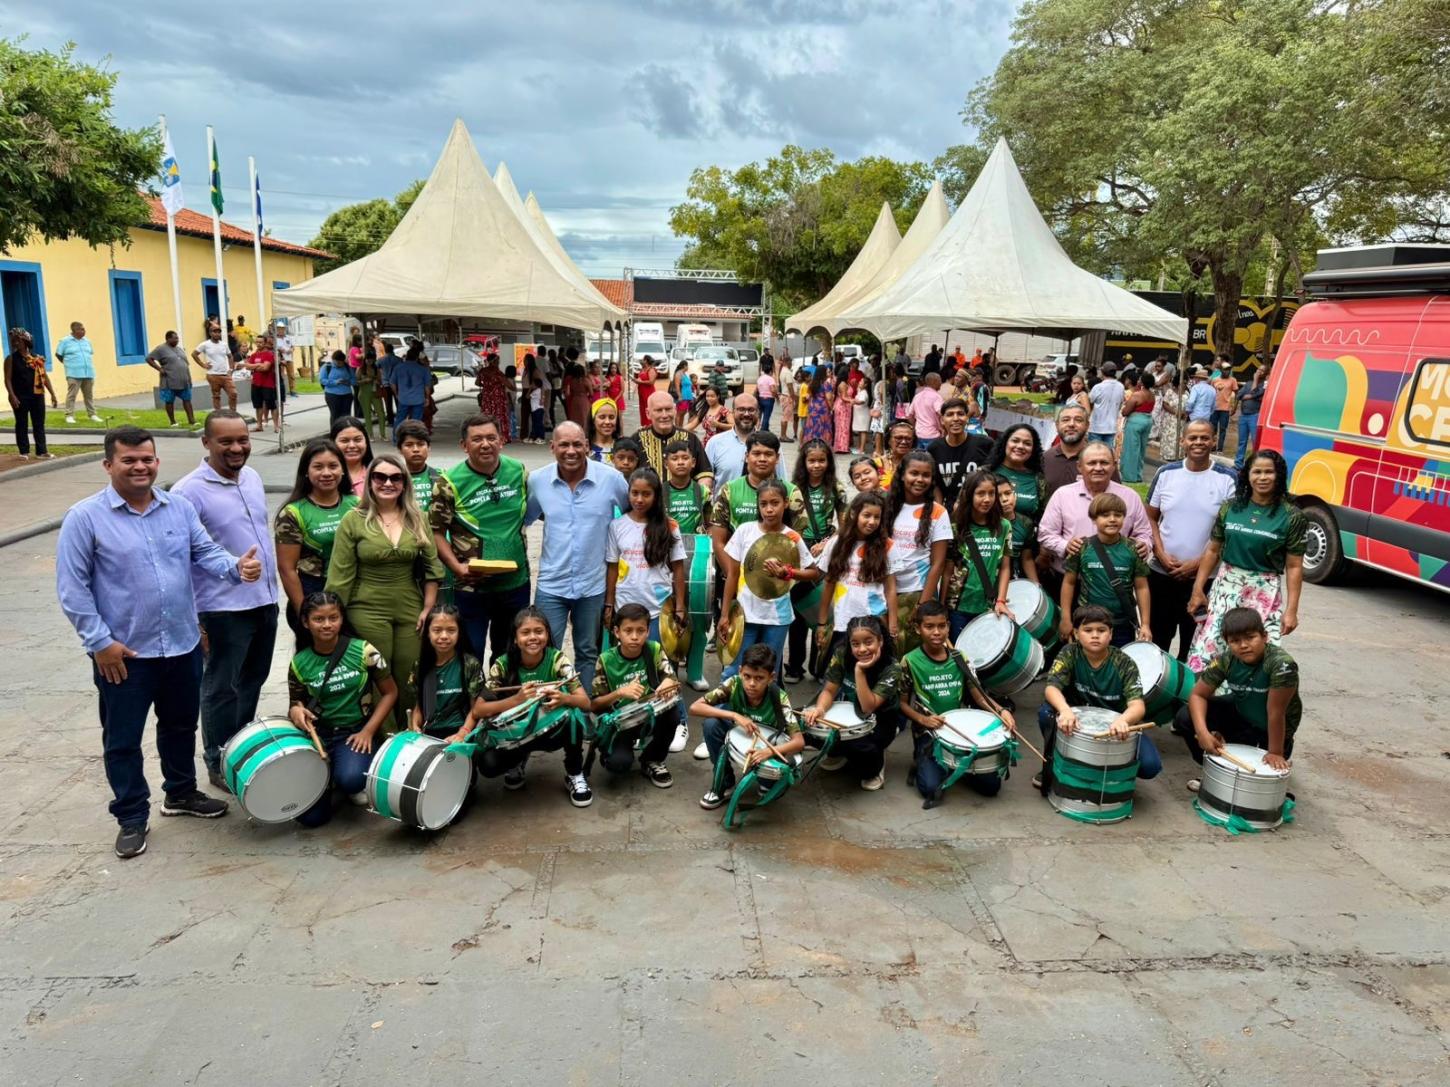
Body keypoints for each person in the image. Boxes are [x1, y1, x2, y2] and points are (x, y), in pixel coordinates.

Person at [56, 426, 262, 858]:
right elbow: (72, 589)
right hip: (125, 655)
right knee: (123, 739)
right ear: (108, 464)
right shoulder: (84, 518)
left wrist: (233, 567)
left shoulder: (178, 508)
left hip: (182, 646)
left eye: (147, 459)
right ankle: (131, 816)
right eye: (129, 460)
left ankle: (181, 793)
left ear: (157, 462)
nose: (140, 467)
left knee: (179, 725)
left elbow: (204, 553)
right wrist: (99, 643)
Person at [170, 410, 280, 789]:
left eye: (243, 440)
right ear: (206, 443)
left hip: (263, 600)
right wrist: (193, 619)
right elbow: (179, 559)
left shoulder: (251, 477)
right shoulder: (187, 492)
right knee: (221, 687)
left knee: (253, 679)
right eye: (226, 442)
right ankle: (218, 760)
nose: (237, 448)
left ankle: (241, 751)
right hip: (221, 609)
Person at [326, 451, 444, 724]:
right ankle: (383, 741)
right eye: (380, 477)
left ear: (405, 483)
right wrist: (335, 619)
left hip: (410, 607)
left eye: (395, 478)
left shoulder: (417, 517)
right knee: (378, 675)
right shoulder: (353, 520)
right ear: (369, 482)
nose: (387, 483)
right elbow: (340, 575)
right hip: (366, 608)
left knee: (409, 673)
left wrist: (429, 608)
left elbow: (432, 568)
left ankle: (409, 736)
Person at [526, 422, 631, 691]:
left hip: (593, 586)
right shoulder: (538, 480)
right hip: (552, 585)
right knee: (546, 652)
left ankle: (583, 712)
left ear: (587, 445)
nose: (571, 451)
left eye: (577, 444)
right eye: (564, 445)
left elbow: (634, 516)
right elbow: (525, 518)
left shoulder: (612, 480)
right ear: (552, 448)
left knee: (587, 652)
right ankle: (550, 713)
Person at [1186, 450, 1306, 672]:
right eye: (1257, 472)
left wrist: (1292, 610)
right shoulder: (1230, 508)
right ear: (1247, 476)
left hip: (1263, 590)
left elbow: (1294, 566)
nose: (1262, 477)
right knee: (1211, 646)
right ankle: (1203, 701)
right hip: (1225, 585)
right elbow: (1213, 551)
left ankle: (1245, 702)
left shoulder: (1292, 516)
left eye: (1269, 472)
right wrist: (1198, 588)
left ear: (1278, 475)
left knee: (1252, 652)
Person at [287, 591, 398, 827]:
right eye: (318, 619)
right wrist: (296, 712)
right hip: (319, 735)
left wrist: (368, 731)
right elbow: (295, 703)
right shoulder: (299, 662)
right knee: (311, 819)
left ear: (342, 619)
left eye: (333, 618)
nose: (327, 625)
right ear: (306, 623)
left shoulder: (365, 651)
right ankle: (329, 777)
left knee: (350, 779)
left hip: (354, 733)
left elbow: (391, 693)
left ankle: (346, 773)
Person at [431, 413, 530, 665]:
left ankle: (502, 701)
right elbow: (435, 531)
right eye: (476, 439)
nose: (485, 444)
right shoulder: (448, 482)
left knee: (508, 653)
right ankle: (472, 703)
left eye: (491, 438)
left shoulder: (518, 472)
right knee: (470, 652)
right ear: (464, 445)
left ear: (501, 441)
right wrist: (457, 568)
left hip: (515, 583)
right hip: (471, 586)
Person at [470, 606, 594, 805]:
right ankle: (517, 760)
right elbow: (478, 709)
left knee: (574, 720)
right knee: (488, 765)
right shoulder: (503, 664)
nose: (533, 637)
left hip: (549, 731)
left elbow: (586, 703)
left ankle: (575, 773)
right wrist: (516, 700)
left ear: (547, 634)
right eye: (525, 632)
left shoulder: (557, 659)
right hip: (517, 733)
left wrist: (564, 698)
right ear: (516, 638)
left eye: (539, 631)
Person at [901, 600, 1016, 808]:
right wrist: (923, 719)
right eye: (929, 627)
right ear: (918, 629)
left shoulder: (960, 658)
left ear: (948, 626)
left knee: (991, 788)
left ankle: (957, 765)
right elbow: (902, 704)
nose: (937, 632)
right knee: (930, 789)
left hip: (961, 731)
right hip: (929, 734)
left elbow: (979, 697)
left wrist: (1001, 711)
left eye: (942, 626)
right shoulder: (909, 661)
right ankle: (923, 761)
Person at [1035, 604, 1162, 790]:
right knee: (1047, 713)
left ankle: (1109, 771)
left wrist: (1123, 721)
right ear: (1077, 634)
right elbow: (1051, 688)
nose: (1095, 635)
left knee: (1150, 766)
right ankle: (1055, 762)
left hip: (1115, 725)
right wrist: (1065, 711)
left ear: (1110, 634)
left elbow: (1137, 705)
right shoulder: (1069, 652)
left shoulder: (1125, 663)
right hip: (1076, 719)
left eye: (1101, 630)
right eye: (1088, 630)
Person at [1173, 607, 1300, 789]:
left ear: (1264, 636)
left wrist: (1275, 752)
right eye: (1235, 641)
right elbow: (1198, 695)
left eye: (1250, 637)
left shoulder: (1281, 665)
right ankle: (1212, 771)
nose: (1243, 645)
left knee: (1255, 783)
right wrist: (1203, 733)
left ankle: (1272, 753)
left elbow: (1276, 713)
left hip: (1273, 729)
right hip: (1243, 714)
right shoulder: (1226, 660)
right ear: (1227, 642)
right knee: (1184, 717)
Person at [1145, 421, 1237, 660]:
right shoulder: (1166, 474)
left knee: (1195, 642)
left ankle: (1187, 694)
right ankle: (1161, 692)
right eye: (1193, 437)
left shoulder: (1227, 478)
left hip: (1205, 579)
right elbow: (1150, 518)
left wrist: (1197, 564)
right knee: (1158, 640)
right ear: (1182, 441)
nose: (1198, 442)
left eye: (1204, 437)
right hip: (1162, 574)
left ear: (1214, 440)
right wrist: (1161, 554)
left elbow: (1230, 531)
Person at [719, 477, 816, 681]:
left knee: (769, 672)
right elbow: (733, 574)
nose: (769, 509)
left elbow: (813, 572)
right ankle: (727, 710)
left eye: (775, 503)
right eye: (764, 504)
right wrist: (725, 614)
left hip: (777, 617)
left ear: (786, 504)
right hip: (744, 615)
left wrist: (788, 573)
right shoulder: (745, 531)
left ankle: (768, 709)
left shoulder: (792, 537)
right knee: (738, 668)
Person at [1037, 442, 1150, 609]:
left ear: (1113, 466)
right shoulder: (1063, 495)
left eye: (1104, 463)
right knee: (1068, 632)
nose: (1098, 468)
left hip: (1114, 585)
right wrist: (1066, 545)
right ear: (1080, 466)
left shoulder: (1130, 497)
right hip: (1070, 582)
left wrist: (1144, 545)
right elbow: (1045, 534)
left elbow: (1144, 533)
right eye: (1091, 463)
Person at [691, 643, 803, 810]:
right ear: (740, 671)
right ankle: (724, 783)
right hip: (744, 736)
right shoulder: (734, 684)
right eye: (747, 676)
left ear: (771, 677)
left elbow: (799, 742)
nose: (751, 683)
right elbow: (695, 707)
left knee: (769, 788)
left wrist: (768, 752)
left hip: (768, 748)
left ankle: (767, 782)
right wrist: (734, 715)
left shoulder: (779, 697)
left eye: (759, 678)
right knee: (711, 724)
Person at [801, 615, 903, 791]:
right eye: (855, 644)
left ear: (880, 641)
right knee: (805, 724)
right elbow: (829, 690)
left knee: (863, 755)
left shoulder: (892, 668)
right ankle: (839, 751)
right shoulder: (842, 653)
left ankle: (876, 761)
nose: (862, 649)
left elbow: (868, 707)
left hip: (880, 719)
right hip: (849, 712)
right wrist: (819, 709)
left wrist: (859, 671)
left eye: (868, 642)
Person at [590, 603, 681, 786]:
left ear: (648, 632)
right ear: (617, 632)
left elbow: (672, 678)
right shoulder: (605, 660)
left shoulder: (654, 649)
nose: (634, 637)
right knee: (618, 765)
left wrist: (668, 683)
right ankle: (612, 753)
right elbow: (595, 705)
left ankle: (652, 760)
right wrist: (619, 692)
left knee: (673, 715)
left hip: (649, 715)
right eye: (628, 630)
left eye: (640, 631)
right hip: (620, 723)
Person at [274, 438, 359, 635]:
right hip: (313, 591)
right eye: (318, 467)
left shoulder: (357, 504)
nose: (327, 473)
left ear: (343, 470)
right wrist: (305, 612)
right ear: (306, 471)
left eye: (333, 466)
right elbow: (287, 570)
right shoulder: (292, 513)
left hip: (353, 593)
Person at [784, 438, 847, 683]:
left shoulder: (837, 488)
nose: (817, 465)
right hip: (799, 552)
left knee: (824, 610)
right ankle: (794, 666)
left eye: (822, 460)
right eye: (812, 460)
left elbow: (845, 524)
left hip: (826, 552)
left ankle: (820, 667)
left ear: (829, 462)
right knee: (799, 612)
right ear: (804, 462)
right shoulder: (793, 488)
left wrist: (828, 543)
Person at [1059, 492, 1152, 647]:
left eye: (1118, 515)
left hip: (1122, 623)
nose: (1112, 519)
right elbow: (1069, 583)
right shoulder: (1081, 548)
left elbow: (1142, 587)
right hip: (1088, 624)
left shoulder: (1133, 549)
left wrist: (1145, 624)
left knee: (1119, 667)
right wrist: (1066, 618)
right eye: (1105, 515)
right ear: (1094, 519)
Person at [604, 468, 687, 642]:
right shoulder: (617, 526)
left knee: (658, 660)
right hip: (625, 604)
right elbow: (612, 567)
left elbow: (678, 568)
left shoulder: (669, 526)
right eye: (635, 493)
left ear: (656, 496)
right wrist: (609, 604)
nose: (639, 499)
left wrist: (679, 606)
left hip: (658, 607)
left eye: (646, 494)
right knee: (628, 659)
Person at [815, 491, 900, 657]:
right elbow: (829, 584)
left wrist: (893, 624)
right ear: (854, 513)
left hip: (875, 621)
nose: (872, 522)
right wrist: (822, 623)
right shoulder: (836, 543)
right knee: (841, 672)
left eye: (877, 517)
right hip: (843, 621)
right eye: (867, 515)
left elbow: (890, 588)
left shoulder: (887, 546)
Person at [885, 450, 953, 652]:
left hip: (917, 592)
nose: (919, 479)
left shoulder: (938, 512)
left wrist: (922, 605)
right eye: (914, 473)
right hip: (884, 591)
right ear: (902, 474)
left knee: (912, 652)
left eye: (926, 475)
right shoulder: (886, 504)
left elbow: (938, 563)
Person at [946, 470, 1013, 641]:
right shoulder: (956, 528)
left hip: (989, 606)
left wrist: (1001, 601)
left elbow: (1005, 567)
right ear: (969, 495)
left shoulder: (1003, 526)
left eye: (991, 493)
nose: (987, 499)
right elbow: (946, 571)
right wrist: (941, 608)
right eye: (980, 493)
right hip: (958, 607)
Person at [408, 604, 483, 745]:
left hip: (460, 730)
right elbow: (419, 706)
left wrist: (462, 734)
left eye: (451, 630)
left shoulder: (470, 664)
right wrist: (415, 726)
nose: (444, 636)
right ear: (428, 633)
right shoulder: (420, 666)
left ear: (459, 633)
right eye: (437, 630)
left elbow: (475, 709)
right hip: (429, 732)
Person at [637, 390, 712, 486]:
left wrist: (700, 493)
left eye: (668, 409)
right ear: (648, 413)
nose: (664, 415)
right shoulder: (636, 440)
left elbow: (704, 474)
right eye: (659, 410)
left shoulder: (691, 439)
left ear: (675, 410)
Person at [6, 327, 58, 458]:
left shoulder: (37, 358)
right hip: (20, 396)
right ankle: (24, 451)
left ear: (26, 341)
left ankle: (41, 451)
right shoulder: (11, 359)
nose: (15, 343)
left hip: (37, 395)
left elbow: (44, 377)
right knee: (21, 423)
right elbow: (7, 379)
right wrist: (12, 395)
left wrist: (52, 394)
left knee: (39, 423)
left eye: (18, 340)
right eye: (13, 340)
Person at [705, 394, 772, 491]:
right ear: (732, 412)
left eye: (751, 410)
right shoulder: (715, 443)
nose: (746, 414)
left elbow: (782, 482)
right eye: (741, 409)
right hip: (723, 505)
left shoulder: (770, 443)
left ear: (758, 413)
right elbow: (705, 482)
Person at [984, 423, 1045, 527]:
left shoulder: (1039, 479)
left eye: (1027, 443)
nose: (1020, 446)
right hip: (985, 540)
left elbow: (1044, 519)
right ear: (1005, 443)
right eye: (1015, 441)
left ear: (1033, 449)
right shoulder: (985, 472)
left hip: (1025, 541)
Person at [55, 320, 102, 423]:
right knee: (72, 395)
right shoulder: (65, 341)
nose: (84, 331)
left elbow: (90, 354)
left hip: (88, 372)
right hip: (73, 373)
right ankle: (69, 415)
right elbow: (58, 354)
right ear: (75, 330)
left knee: (89, 395)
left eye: (83, 329)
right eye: (81, 329)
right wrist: (68, 363)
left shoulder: (87, 341)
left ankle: (92, 414)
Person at [145, 331, 195, 427]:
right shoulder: (160, 349)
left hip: (184, 381)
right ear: (168, 339)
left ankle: (192, 420)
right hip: (169, 381)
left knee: (187, 400)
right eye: (175, 338)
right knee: (169, 401)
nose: (177, 340)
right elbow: (148, 358)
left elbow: (185, 364)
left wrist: (189, 379)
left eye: (177, 338)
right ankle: (173, 422)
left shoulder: (179, 349)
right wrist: (159, 369)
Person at [996, 477, 1040, 582]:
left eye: (1008, 493)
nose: (1005, 499)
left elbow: (1027, 558)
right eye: (998, 496)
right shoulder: (986, 524)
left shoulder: (1026, 524)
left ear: (1014, 496)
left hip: (1016, 581)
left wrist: (1037, 585)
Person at [396, 420, 440, 519]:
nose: (415, 449)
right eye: (409, 445)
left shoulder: (442, 477)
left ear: (429, 447)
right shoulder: (392, 479)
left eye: (421, 444)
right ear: (399, 449)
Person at [1118, 370, 1155, 482]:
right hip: (1147, 420)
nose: (1138, 381)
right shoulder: (1152, 395)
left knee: (1131, 449)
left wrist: (1124, 408)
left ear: (1142, 382)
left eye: (1140, 379)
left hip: (1136, 421)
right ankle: (1138, 475)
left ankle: (1129, 476)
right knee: (1141, 449)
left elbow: (1125, 412)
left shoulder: (1137, 394)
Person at [192, 323, 237, 413]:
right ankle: (218, 413)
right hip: (213, 374)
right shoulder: (205, 344)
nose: (217, 334)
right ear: (210, 333)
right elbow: (194, 354)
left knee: (233, 393)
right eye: (214, 332)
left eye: (219, 332)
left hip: (225, 374)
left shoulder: (224, 344)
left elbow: (230, 356)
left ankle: (233, 413)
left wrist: (231, 369)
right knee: (216, 395)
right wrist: (203, 365)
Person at [391, 343, 431, 437]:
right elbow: (427, 386)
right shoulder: (423, 369)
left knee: (400, 420)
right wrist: (427, 397)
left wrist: (397, 394)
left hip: (403, 398)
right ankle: (413, 438)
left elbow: (392, 383)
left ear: (407, 356)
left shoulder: (398, 368)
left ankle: (396, 438)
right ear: (417, 358)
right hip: (418, 399)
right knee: (416, 422)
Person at [474, 352, 513, 442]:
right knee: (499, 416)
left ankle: (486, 436)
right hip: (498, 398)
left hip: (486, 397)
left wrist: (486, 386)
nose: (498, 362)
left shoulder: (483, 371)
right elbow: (509, 385)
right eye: (497, 361)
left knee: (486, 416)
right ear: (494, 361)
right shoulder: (498, 373)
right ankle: (501, 437)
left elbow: (477, 383)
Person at [245, 335, 280, 434]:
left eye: (260, 342)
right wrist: (259, 365)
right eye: (257, 342)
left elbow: (266, 368)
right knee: (258, 405)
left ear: (264, 343)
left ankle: (276, 426)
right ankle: (259, 425)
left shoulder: (269, 354)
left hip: (268, 384)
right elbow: (247, 367)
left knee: (272, 405)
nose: (258, 344)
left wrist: (254, 367)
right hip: (256, 383)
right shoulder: (253, 355)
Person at [329, 416, 372, 497]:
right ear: (332, 443)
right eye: (344, 441)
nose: (352, 445)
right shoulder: (326, 477)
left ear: (366, 442)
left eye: (357, 440)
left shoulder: (378, 474)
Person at [1234, 365, 1267, 468]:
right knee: (1242, 441)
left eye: (1262, 370)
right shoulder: (1248, 383)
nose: (1259, 372)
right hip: (1243, 416)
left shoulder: (1263, 385)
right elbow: (1239, 395)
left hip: (1255, 416)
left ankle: (1255, 464)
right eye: (1258, 369)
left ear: (1265, 374)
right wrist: (1252, 397)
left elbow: (1255, 392)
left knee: (1255, 441)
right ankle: (1238, 464)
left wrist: (1255, 380)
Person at [353, 347, 386, 441]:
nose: (369, 361)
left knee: (381, 413)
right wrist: (365, 380)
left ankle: (382, 434)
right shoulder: (360, 369)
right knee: (367, 415)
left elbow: (381, 381)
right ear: (365, 359)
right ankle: (370, 435)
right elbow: (356, 382)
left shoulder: (376, 369)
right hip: (363, 393)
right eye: (368, 359)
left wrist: (377, 381)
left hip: (375, 392)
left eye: (371, 360)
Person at [907, 373, 945, 448]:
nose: (941, 383)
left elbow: (909, 415)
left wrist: (915, 427)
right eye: (940, 381)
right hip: (933, 434)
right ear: (935, 381)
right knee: (932, 458)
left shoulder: (917, 396)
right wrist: (943, 428)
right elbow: (941, 413)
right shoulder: (936, 397)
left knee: (920, 458)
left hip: (919, 434)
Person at [1210, 360, 1240, 452]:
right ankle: (1213, 446)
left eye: (1229, 370)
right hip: (1215, 408)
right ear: (1221, 370)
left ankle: (1220, 448)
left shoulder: (1233, 380)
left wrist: (1234, 407)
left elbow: (1237, 394)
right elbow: (1211, 392)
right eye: (1225, 370)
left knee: (1223, 429)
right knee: (1213, 428)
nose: (1227, 371)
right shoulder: (1215, 380)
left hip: (1225, 409)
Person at [801, 364, 834, 445]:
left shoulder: (812, 383)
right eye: (826, 371)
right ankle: (823, 444)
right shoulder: (826, 384)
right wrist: (831, 408)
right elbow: (829, 398)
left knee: (811, 426)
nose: (828, 373)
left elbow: (809, 397)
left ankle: (809, 443)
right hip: (822, 408)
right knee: (823, 426)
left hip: (813, 407)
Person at [320, 350, 356, 423]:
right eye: (338, 362)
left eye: (342, 362)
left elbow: (354, 380)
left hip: (346, 394)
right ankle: (335, 432)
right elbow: (322, 380)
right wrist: (335, 382)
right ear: (334, 360)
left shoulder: (347, 367)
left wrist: (348, 382)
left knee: (346, 416)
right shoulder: (327, 367)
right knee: (335, 415)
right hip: (332, 395)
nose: (340, 364)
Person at [273, 323, 296, 396]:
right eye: (279, 328)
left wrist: (291, 350)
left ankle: (292, 390)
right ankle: (282, 391)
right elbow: (273, 347)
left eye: (282, 328)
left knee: (291, 375)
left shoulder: (288, 338)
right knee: (281, 375)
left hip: (289, 358)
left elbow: (292, 346)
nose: (281, 330)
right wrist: (279, 349)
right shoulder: (275, 339)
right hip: (281, 359)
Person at [635, 355, 658, 426]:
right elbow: (640, 379)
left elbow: (651, 382)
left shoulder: (651, 369)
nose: (642, 361)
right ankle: (645, 425)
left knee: (649, 409)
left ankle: (651, 425)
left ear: (646, 360)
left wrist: (640, 382)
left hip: (648, 392)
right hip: (641, 392)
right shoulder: (642, 369)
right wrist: (636, 381)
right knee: (642, 410)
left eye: (643, 359)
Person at [755, 357, 777, 431]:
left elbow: (757, 389)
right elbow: (773, 390)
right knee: (766, 416)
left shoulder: (760, 378)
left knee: (760, 415)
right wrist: (776, 396)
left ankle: (765, 428)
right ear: (770, 371)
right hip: (769, 399)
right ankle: (763, 430)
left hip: (760, 398)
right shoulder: (771, 379)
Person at [669, 360, 693, 424]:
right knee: (680, 413)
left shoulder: (684, 374)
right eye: (687, 366)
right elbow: (677, 386)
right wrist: (680, 396)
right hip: (683, 396)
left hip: (687, 397)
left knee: (683, 413)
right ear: (685, 366)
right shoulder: (678, 373)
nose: (688, 367)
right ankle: (677, 428)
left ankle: (680, 428)